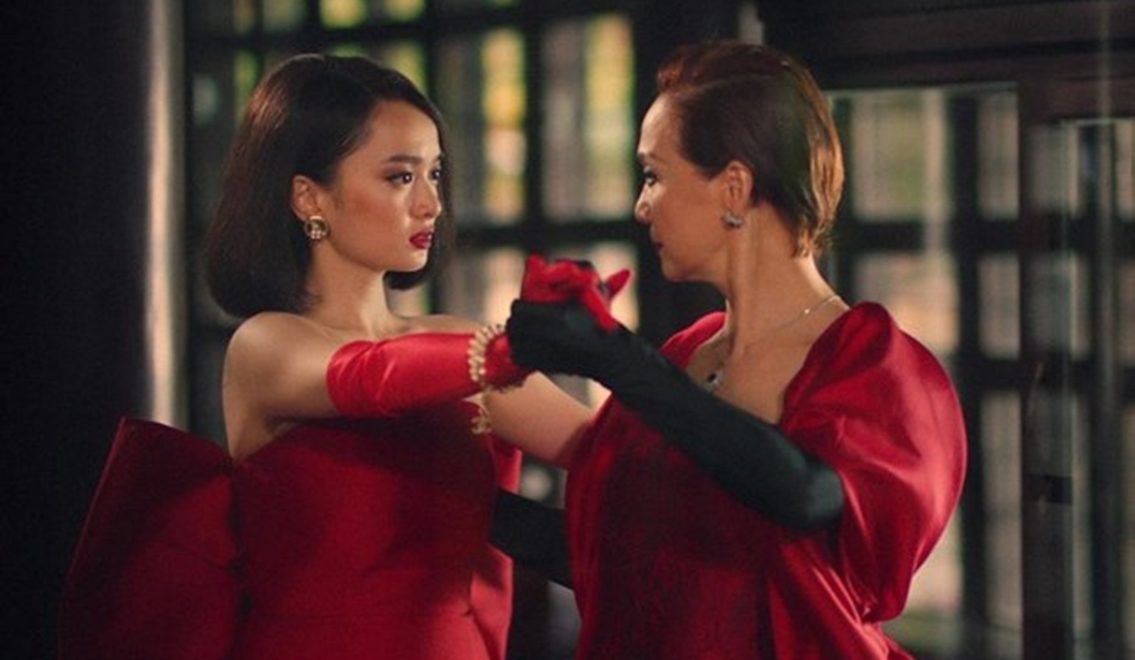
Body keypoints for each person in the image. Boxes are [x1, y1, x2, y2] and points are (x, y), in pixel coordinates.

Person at [58, 53, 590, 660]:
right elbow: (370, 377)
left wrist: (639, 360)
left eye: (436, 173)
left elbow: (611, 452)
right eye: (401, 177)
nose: (431, 205)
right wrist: (501, 354)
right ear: (309, 198)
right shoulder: (266, 343)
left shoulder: (463, 345)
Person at [505, 41, 968, 659]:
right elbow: (617, 560)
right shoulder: (686, 353)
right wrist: (456, 505)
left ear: (734, 187)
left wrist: (615, 358)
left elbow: (804, 494)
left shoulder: (880, 367)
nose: (641, 207)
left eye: (653, 176)